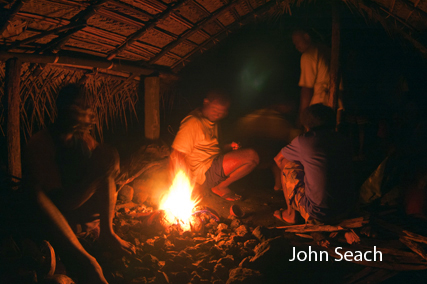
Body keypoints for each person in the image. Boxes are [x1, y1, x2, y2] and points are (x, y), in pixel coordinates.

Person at [22, 84, 135, 284]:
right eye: (79, 110)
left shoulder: (82, 140)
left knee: (106, 159)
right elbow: (54, 206)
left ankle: (106, 234)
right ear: (65, 109)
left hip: (79, 212)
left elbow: (104, 169)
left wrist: (108, 165)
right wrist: (86, 259)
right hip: (54, 219)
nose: (87, 116)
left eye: (88, 111)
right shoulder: (40, 145)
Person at [169, 90, 259, 201]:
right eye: (215, 110)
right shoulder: (193, 122)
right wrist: (186, 184)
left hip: (214, 162)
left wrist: (229, 146)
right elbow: (176, 155)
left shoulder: (213, 122)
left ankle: (219, 186)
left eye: (221, 112)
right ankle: (220, 187)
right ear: (206, 102)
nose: (217, 114)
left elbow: (214, 148)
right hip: (204, 172)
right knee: (251, 155)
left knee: (252, 160)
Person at [274, 104, 356, 224]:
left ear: (306, 123)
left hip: (319, 213)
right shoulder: (344, 140)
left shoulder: (304, 141)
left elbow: (278, 159)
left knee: (287, 163)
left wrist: (291, 181)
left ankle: (291, 214)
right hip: (347, 209)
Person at [292, 29, 343, 127]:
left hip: (320, 109)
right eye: (294, 44)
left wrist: (301, 117)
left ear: (307, 36)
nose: (296, 46)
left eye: (298, 42)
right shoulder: (328, 50)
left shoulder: (308, 55)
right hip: (338, 104)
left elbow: (307, 88)